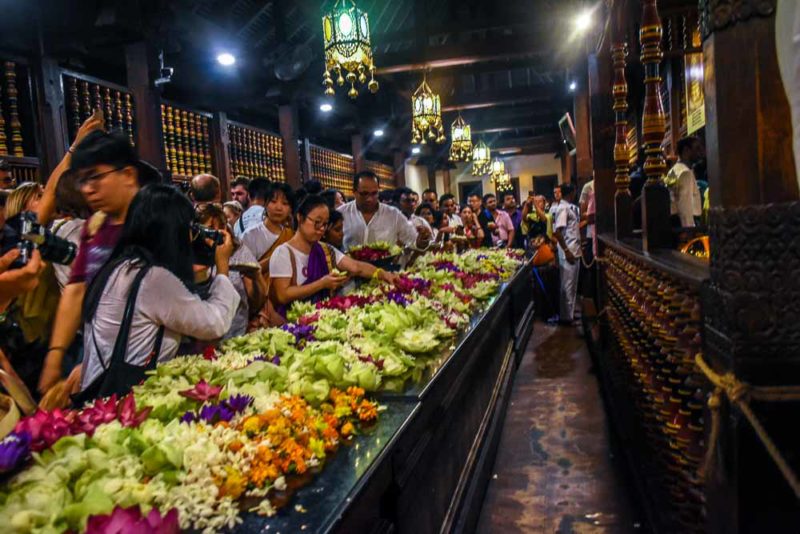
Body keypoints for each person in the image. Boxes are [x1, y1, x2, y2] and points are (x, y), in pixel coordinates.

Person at [75, 185, 239, 401]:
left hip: (101, 395)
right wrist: (223, 266)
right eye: (188, 229)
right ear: (173, 232)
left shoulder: (118, 267)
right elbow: (213, 323)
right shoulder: (153, 280)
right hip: (128, 401)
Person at [38, 130, 161, 394]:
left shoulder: (158, 222)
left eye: (95, 177)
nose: (88, 189)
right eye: (82, 181)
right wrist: (56, 355)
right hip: (102, 365)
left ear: (128, 175)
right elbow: (76, 289)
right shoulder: (95, 229)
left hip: (153, 369)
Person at [270, 194, 398, 318]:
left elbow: (356, 267)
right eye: (317, 222)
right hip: (295, 323)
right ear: (300, 217)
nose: (321, 229)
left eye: (325, 224)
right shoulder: (283, 253)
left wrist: (383, 274)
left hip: (322, 319)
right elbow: (283, 294)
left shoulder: (325, 249)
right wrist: (322, 284)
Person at [196, 203, 265, 339]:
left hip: (238, 336)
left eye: (221, 227)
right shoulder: (193, 261)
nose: (218, 234)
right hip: (205, 341)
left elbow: (256, 301)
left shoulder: (237, 249)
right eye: (210, 229)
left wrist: (256, 276)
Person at [338, 171, 426, 251]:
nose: (369, 199)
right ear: (354, 192)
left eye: (374, 193)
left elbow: (413, 241)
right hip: (350, 267)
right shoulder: (341, 213)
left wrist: (422, 240)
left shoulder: (393, 215)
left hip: (385, 268)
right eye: (364, 194)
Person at [553, 183, 581, 325]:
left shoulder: (570, 208)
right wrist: (566, 250)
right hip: (568, 251)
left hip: (574, 249)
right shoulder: (563, 208)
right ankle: (565, 317)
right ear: (571, 193)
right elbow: (557, 232)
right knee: (567, 285)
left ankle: (569, 313)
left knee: (572, 284)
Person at [666, 136, 704, 228]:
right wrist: (689, 230)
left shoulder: (673, 171)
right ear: (686, 150)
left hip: (674, 222)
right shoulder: (685, 173)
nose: (701, 153)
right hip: (685, 224)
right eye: (697, 148)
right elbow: (685, 206)